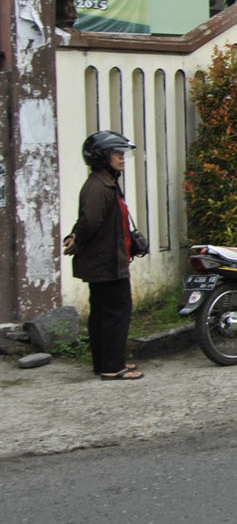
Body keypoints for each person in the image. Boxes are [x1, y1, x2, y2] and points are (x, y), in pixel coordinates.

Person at [64, 131, 144, 380]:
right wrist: (76, 238)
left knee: (103, 311)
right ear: (101, 157)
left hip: (107, 260)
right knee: (116, 311)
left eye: (122, 154)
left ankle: (106, 362)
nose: (122, 159)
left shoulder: (105, 183)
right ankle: (112, 367)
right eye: (116, 154)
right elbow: (90, 221)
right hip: (106, 261)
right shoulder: (99, 186)